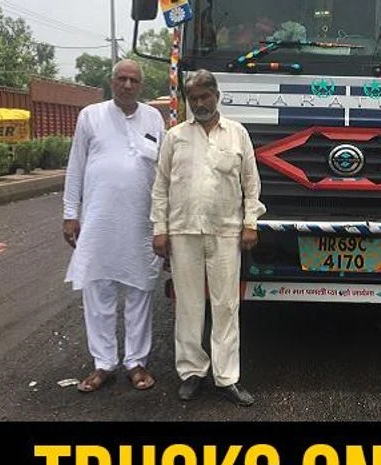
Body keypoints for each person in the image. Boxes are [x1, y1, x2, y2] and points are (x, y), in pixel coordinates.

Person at [151, 69, 266, 407]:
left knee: (226, 306)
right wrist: (160, 229)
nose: (200, 103)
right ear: (188, 101)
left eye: (205, 96)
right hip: (183, 231)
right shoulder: (175, 137)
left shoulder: (237, 134)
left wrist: (250, 223)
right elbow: (160, 188)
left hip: (226, 231)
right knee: (188, 306)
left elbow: (251, 183)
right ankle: (191, 373)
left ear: (217, 95)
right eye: (194, 98)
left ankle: (227, 377)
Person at [62, 59, 166, 393]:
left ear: (141, 86)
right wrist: (70, 213)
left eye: (133, 80)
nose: (127, 85)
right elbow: (76, 166)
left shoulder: (153, 118)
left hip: (141, 223)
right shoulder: (90, 116)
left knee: (140, 292)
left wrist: (165, 222)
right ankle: (103, 364)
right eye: (121, 79)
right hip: (98, 222)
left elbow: (164, 174)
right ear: (111, 82)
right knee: (98, 291)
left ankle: (136, 362)